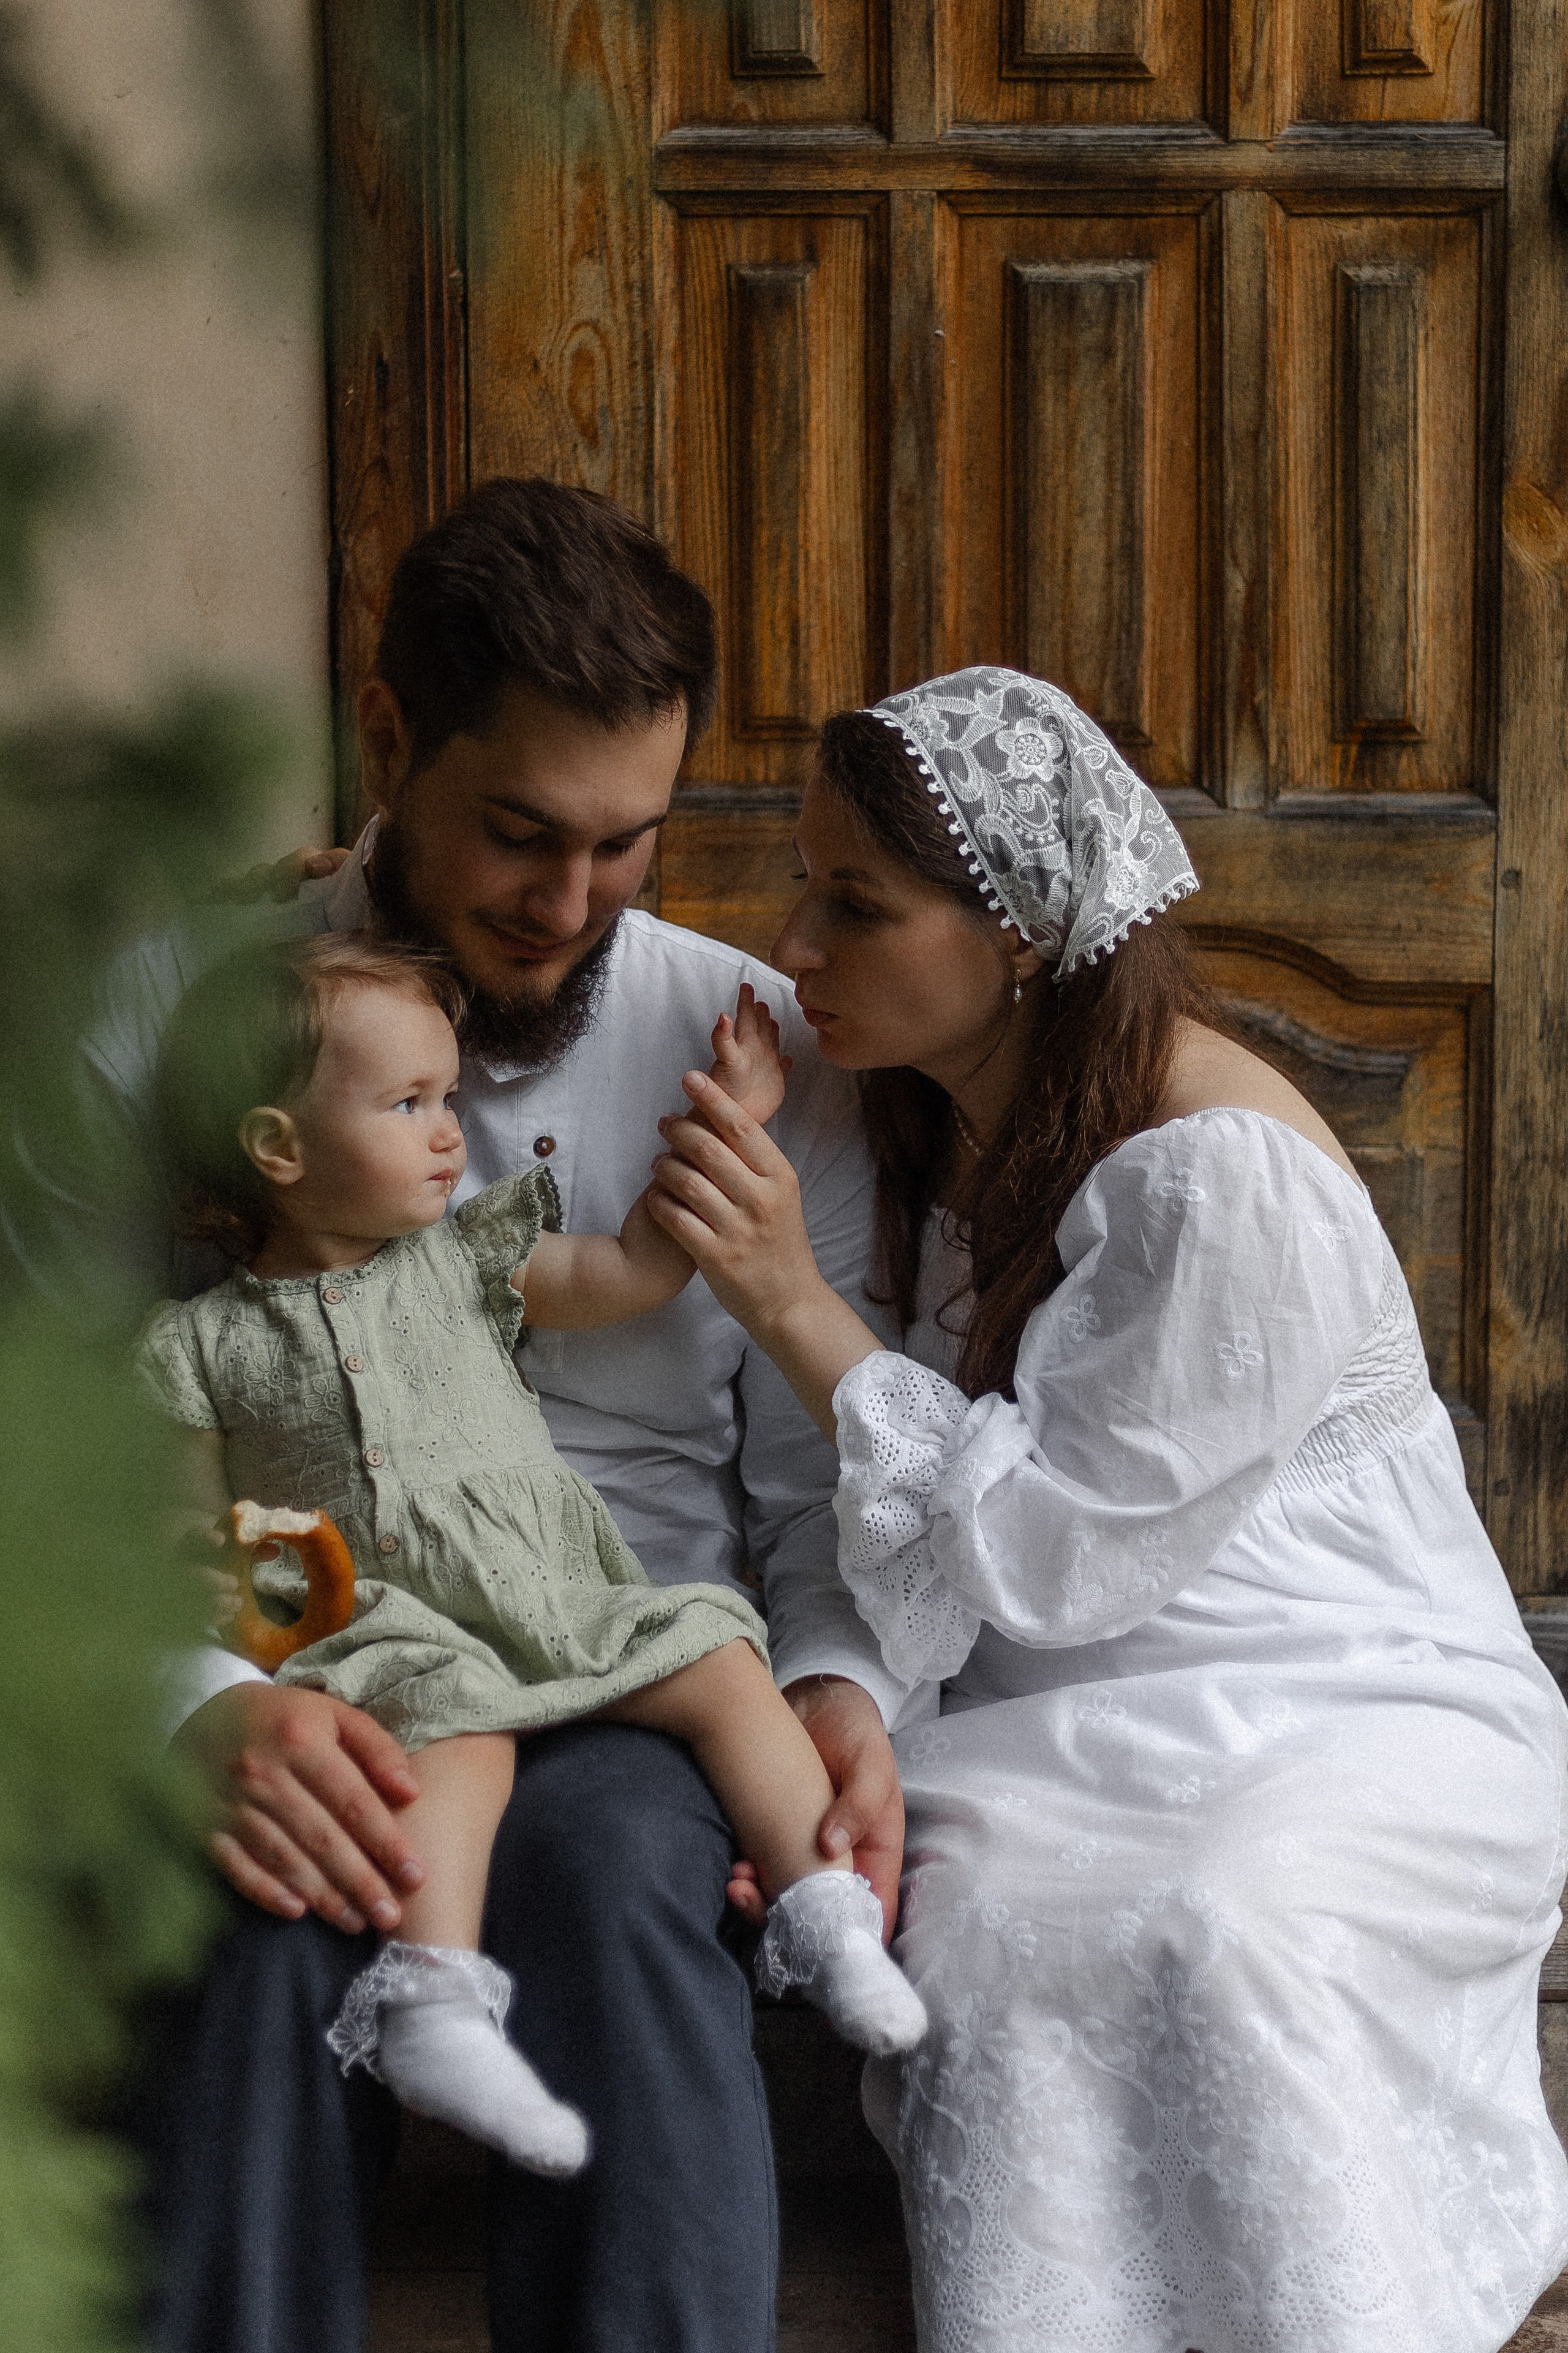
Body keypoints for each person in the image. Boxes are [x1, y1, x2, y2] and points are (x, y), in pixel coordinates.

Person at [647, 665, 1568, 2353]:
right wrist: (842, 1696)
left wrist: (792, 1301)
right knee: (993, 1934)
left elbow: (1053, 1550)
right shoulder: (916, 1126)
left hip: (1350, 1690)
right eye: (806, 885)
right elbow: (902, 1545)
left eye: (856, 903)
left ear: (1019, 931)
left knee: (1231, 1918)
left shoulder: (1220, 1170)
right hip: (1047, 1713)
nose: (795, 943)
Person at [97, 479, 912, 2353]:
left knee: (624, 1880)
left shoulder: (761, 1047)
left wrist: (840, 1690)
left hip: (616, 1655)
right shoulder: (161, 1027)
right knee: (264, 1908)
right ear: (391, 742)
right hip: (314, 1636)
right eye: (522, 835)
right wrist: (230, 1696)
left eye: (628, 844)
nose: (571, 905)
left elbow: (818, 1492)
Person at [141, 934, 925, 2173]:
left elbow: (637, 1269)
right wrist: (246, 1609)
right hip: (381, 1620)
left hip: (547, 1584)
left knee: (719, 1653)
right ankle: (434, 1999)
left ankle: (819, 1910)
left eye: (448, 1096)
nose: (454, 1132)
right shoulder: (197, 1344)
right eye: (409, 1104)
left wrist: (734, 1112)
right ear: (276, 1148)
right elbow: (190, 1532)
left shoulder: (462, 1259)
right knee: (451, 1743)